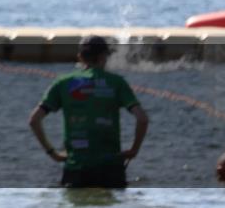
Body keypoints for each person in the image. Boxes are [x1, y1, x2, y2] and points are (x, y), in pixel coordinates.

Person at [28, 35, 150, 189]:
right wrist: (134, 150)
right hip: (111, 167)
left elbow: (34, 120)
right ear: (103, 57)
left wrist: (52, 153)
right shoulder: (116, 82)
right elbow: (142, 119)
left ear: (80, 57)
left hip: (76, 168)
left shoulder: (63, 83)